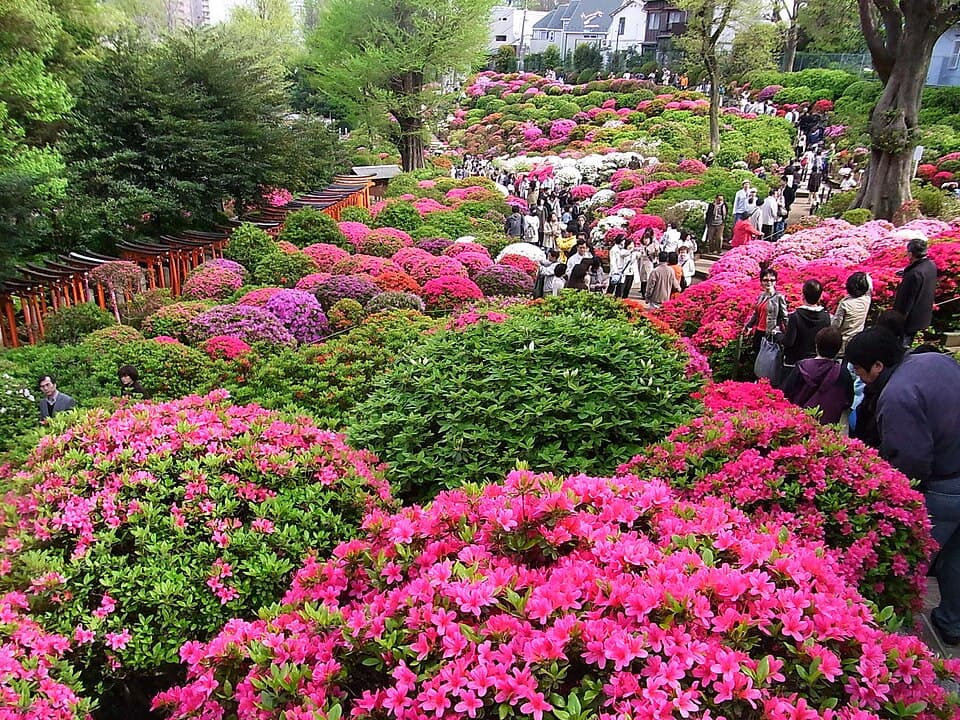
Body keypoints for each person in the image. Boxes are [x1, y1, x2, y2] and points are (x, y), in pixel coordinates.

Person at [844, 327, 960, 646]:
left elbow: (911, 461)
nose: (858, 377)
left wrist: (891, 499)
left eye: (858, 370)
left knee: (912, 561)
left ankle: (895, 637)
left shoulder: (897, 394)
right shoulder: (935, 360)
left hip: (946, 487)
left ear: (877, 366)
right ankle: (952, 621)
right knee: (954, 557)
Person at [780, 327, 854, 424]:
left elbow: (786, 392)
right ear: (839, 348)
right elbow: (848, 401)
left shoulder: (802, 366)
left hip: (799, 421)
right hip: (826, 426)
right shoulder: (843, 373)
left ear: (816, 346)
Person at [892, 232, 938, 346]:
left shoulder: (914, 274)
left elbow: (906, 302)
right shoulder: (931, 265)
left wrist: (898, 321)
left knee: (902, 347)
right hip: (922, 317)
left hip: (909, 321)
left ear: (911, 254)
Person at [779, 279, 831, 375]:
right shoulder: (826, 317)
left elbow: (788, 342)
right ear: (820, 297)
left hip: (795, 364)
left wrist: (778, 334)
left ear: (803, 296)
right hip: (815, 364)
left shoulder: (796, 316)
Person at [744, 268, 788, 357]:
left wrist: (789, 334)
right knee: (757, 357)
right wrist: (749, 326)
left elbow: (785, 317)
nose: (769, 282)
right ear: (761, 282)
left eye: (772, 280)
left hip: (771, 334)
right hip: (759, 332)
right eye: (765, 280)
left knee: (769, 361)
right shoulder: (761, 296)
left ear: (775, 282)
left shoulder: (779, 297)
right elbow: (756, 314)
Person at [831, 271, 872, 356]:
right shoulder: (867, 299)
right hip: (857, 339)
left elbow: (835, 325)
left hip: (843, 343)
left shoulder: (845, 304)